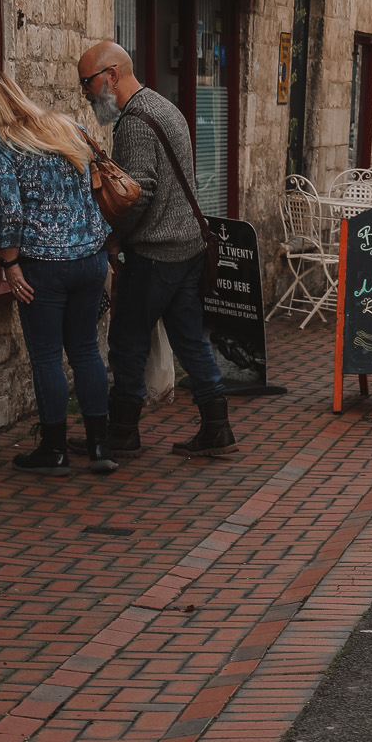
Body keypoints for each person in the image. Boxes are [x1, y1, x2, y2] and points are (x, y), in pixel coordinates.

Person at [77, 40, 238, 458]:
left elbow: (138, 194)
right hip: (187, 247)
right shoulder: (166, 108)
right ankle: (217, 426)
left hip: (156, 252)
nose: (86, 94)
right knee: (189, 340)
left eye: (87, 83)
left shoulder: (133, 122)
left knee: (127, 340)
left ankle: (123, 432)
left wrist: (114, 238)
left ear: (110, 76)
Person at [0, 70, 114, 477]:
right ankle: (100, 445)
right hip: (90, 259)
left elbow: (10, 212)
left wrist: (10, 265)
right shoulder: (69, 126)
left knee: (48, 355)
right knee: (86, 349)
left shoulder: (3, 146)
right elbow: (92, 189)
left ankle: (54, 450)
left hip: (43, 265)